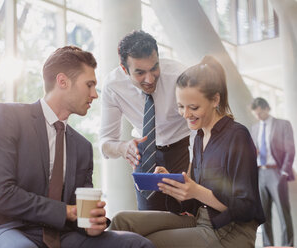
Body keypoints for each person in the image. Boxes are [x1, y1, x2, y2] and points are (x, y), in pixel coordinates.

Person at [0, 46, 154, 248]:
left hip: (59, 233)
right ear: (63, 81)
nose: (94, 94)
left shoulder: (82, 146)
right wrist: (65, 211)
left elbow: (79, 209)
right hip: (3, 227)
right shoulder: (6, 116)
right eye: (89, 85)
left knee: (137, 244)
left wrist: (90, 223)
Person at [110, 56, 265, 247]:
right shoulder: (199, 138)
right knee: (122, 222)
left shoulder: (237, 135)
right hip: (201, 219)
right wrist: (176, 187)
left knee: (143, 243)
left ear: (215, 99)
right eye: (181, 107)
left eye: (193, 107)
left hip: (229, 231)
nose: (185, 114)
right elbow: (194, 202)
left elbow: (246, 207)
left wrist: (196, 191)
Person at [100, 30, 191, 211]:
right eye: (140, 72)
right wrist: (123, 147)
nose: (149, 79)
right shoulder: (112, 87)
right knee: (150, 219)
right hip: (146, 152)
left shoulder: (180, 76)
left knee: (187, 213)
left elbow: (200, 127)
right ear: (124, 69)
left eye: (154, 68)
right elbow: (105, 144)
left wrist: (194, 169)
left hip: (185, 148)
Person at [250, 97, 294, 247]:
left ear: (267, 108)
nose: (258, 116)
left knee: (283, 212)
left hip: (276, 172)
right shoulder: (254, 128)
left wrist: (284, 172)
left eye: (260, 113)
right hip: (260, 173)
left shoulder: (283, 124)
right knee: (264, 215)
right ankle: (268, 245)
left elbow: (290, 150)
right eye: (256, 114)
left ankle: (287, 245)